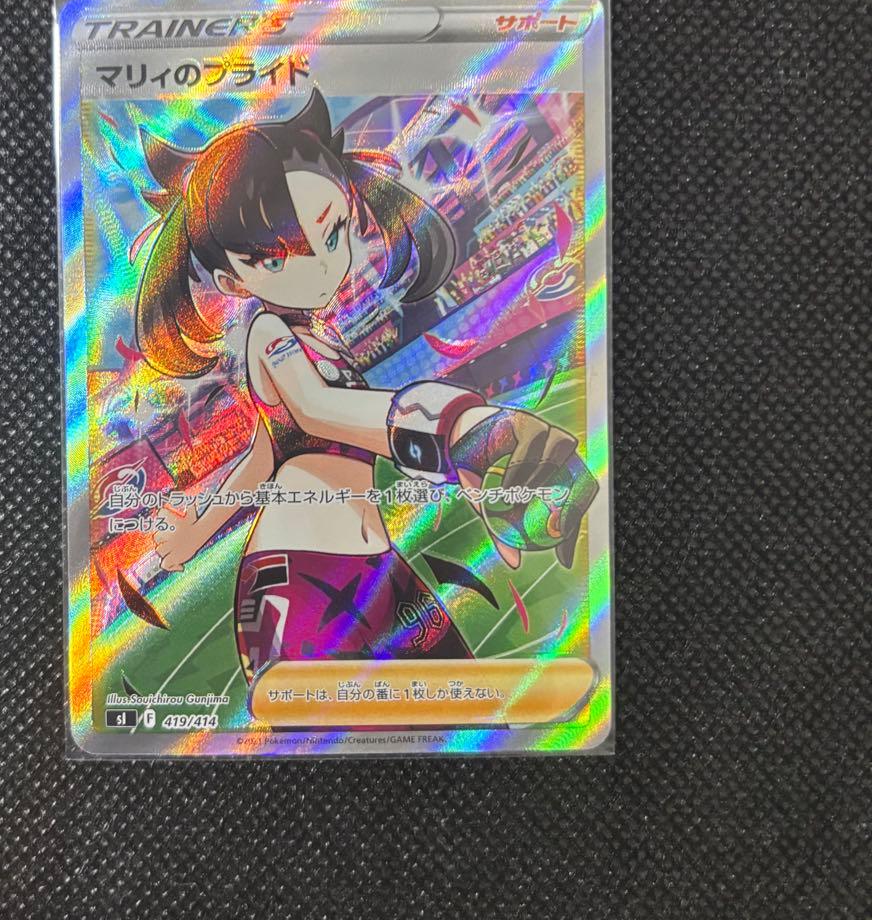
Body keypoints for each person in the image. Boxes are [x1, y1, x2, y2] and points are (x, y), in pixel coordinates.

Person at [133, 92, 596, 682]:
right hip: (301, 578)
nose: (321, 265)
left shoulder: (318, 337)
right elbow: (317, 409)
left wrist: (191, 535)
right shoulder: (268, 333)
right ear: (231, 279)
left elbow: (264, 456)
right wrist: (457, 429)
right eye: (276, 258)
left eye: (332, 233)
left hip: (379, 568)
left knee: (462, 706)